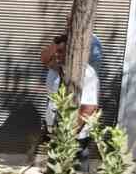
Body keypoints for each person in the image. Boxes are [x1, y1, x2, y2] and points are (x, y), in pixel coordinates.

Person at [40, 34, 101, 162]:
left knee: (75, 173)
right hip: (54, 131)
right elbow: (45, 58)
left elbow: (88, 109)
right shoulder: (55, 69)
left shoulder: (87, 73)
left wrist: (69, 135)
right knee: (56, 173)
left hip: (74, 136)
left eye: (60, 52)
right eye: (56, 51)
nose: (56, 55)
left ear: (71, 52)